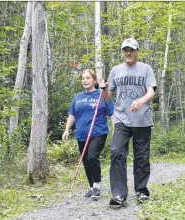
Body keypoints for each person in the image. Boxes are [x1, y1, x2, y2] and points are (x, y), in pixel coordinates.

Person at [102, 38, 157, 206]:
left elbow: (151, 92)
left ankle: (141, 191)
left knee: (141, 156)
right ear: (122, 52)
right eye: (125, 50)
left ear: (137, 51)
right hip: (121, 118)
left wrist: (142, 100)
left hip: (142, 119)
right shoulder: (115, 70)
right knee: (117, 152)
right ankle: (119, 194)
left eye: (131, 50)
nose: (128, 53)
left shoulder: (146, 69)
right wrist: (103, 89)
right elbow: (107, 98)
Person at [62, 69, 114, 200]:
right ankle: (91, 187)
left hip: (98, 132)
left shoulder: (102, 94)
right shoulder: (78, 97)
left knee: (92, 157)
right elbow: (72, 115)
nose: (85, 80)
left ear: (94, 80)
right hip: (81, 134)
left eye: (88, 78)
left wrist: (115, 129)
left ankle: (97, 186)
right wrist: (67, 129)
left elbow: (112, 113)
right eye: (83, 78)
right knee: (86, 161)